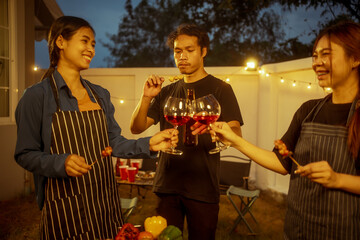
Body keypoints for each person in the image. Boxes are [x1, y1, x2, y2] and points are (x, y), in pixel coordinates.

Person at [14, 16, 178, 240]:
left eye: (93, 44)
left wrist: (149, 143)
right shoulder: (36, 96)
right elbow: (25, 153)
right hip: (65, 206)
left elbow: (114, 143)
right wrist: (60, 162)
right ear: (61, 42)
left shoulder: (100, 94)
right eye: (85, 41)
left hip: (104, 201)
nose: (91, 49)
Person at [210, 21, 360, 239]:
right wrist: (234, 140)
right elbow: (281, 163)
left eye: (325, 54)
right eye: (314, 56)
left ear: (355, 58)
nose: (317, 63)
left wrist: (337, 179)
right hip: (298, 229)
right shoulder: (309, 110)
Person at [130, 24, 243, 239]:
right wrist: (146, 97)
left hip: (203, 187)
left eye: (189, 50)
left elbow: (236, 132)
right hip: (168, 183)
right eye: (177, 51)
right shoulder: (167, 91)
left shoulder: (221, 89)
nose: (182, 56)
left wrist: (224, 133)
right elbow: (136, 128)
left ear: (203, 51)